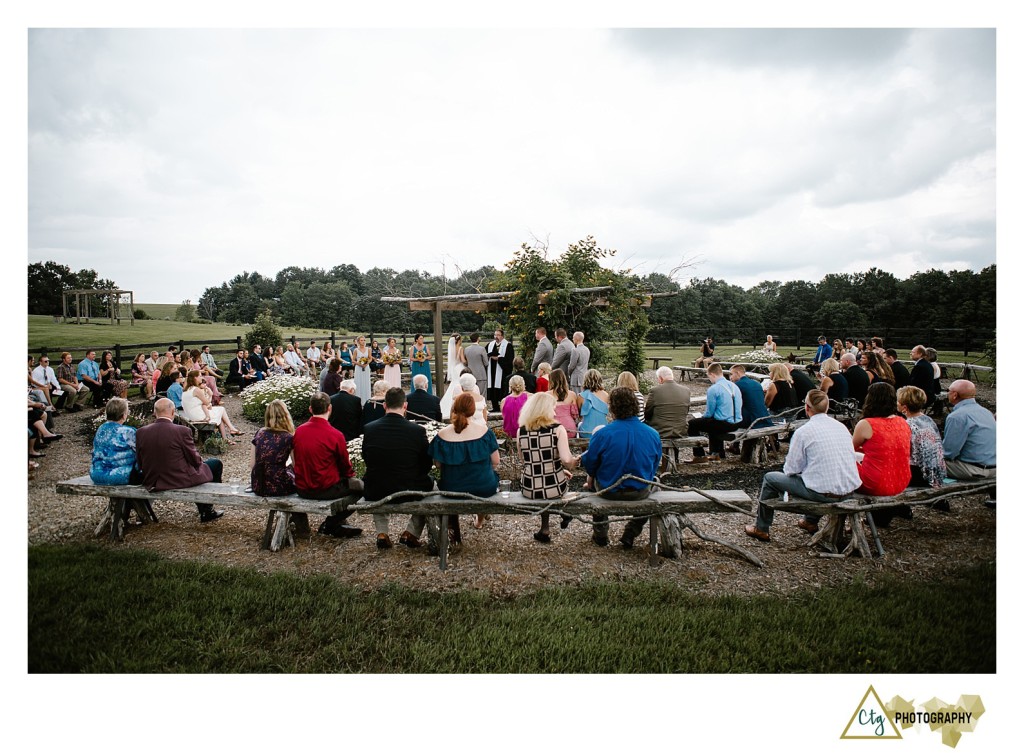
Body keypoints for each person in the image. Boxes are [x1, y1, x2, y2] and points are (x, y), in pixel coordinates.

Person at [744, 390, 861, 542]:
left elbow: (791, 469)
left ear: (807, 407)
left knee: (770, 478)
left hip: (822, 493)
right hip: (848, 490)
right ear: (827, 407)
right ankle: (810, 521)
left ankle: (761, 527)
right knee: (818, 476)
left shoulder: (804, 432)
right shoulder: (841, 427)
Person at [581, 387, 662, 548]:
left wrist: (592, 475)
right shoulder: (652, 434)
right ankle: (631, 532)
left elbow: (590, 464)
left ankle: (601, 534)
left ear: (612, 407)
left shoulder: (603, 434)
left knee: (590, 484)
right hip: (639, 491)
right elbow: (654, 464)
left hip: (607, 489)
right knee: (656, 486)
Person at [362, 387, 436, 549]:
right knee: (433, 487)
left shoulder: (369, 429)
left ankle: (382, 532)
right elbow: (426, 463)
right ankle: (411, 532)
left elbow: (367, 458)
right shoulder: (417, 430)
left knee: (376, 477)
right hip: (408, 487)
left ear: (384, 406)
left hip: (377, 489)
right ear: (405, 406)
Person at [135, 398, 224, 523]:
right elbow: (195, 460)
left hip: (153, 480)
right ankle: (207, 510)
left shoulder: (141, 432)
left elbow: (140, 462)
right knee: (215, 464)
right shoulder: (182, 431)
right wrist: (198, 461)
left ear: (155, 413)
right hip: (177, 479)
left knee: (198, 467)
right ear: (172, 412)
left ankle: (205, 508)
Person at [292, 391, 363, 538]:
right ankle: (331, 523)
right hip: (325, 488)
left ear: (310, 409)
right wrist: (351, 477)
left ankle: (335, 524)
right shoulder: (335, 434)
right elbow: (346, 467)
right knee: (360, 490)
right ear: (330, 408)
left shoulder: (299, 431)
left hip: (302, 487)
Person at [429, 392, 500, 531]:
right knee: (486, 478)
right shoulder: (485, 432)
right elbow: (496, 461)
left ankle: (453, 529)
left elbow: (437, 464)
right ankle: (479, 520)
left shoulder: (442, 435)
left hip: (452, 487)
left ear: (454, 409)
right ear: (473, 410)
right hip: (483, 486)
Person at [518, 391, 580, 543]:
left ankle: (545, 529)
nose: (554, 412)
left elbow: (524, 459)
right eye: (552, 408)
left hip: (529, 486)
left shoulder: (522, 430)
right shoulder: (558, 429)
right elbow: (566, 459)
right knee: (556, 486)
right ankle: (564, 512)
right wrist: (574, 462)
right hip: (554, 486)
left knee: (545, 485)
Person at [852, 382, 912, 526]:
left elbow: (848, 449)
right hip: (902, 478)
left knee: (841, 459)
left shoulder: (867, 424)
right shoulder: (902, 422)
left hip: (876, 483)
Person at [686, 363, 743, 463]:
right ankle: (717, 453)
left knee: (692, 424)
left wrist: (703, 417)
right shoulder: (735, 386)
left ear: (712, 374)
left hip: (724, 424)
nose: (709, 380)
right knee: (713, 421)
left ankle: (699, 456)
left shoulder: (714, 389)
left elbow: (709, 413)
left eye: (709, 377)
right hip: (737, 422)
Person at [942, 379, 996, 481]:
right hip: (994, 468)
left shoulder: (957, 417)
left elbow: (949, 452)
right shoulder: (987, 412)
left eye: (948, 391)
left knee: (927, 462)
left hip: (974, 470)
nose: (947, 393)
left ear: (954, 395)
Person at [896, 386, 946, 488]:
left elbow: (902, 451)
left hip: (919, 474)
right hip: (936, 470)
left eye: (898, 401)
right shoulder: (928, 420)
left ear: (904, 407)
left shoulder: (907, 425)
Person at [250, 399, 296, 497]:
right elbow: (297, 464)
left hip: (259, 484)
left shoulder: (260, 433)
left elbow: (253, 464)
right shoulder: (288, 437)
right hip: (279, 485)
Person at [181, 370, 243, 443]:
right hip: (198, 415)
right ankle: (231, 429)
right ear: (195, 378)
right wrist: (210, 394)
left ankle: (226, 437)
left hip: (191, 414)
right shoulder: (196, 390)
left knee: (220, 413)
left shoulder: (187, 389)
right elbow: (207, 402)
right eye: (200, 376)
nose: (202, 377)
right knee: (222, 409)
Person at [89, 398, 141, 485]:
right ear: (124, 415)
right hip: (120, 476)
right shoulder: (127, 432)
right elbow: (142, 450)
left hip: (96, 474)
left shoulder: (101, 428)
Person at [485, 328, 515, 412]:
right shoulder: (490, 345)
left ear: (502, 336)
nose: (496, 337)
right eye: (495, 335)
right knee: (492, 387)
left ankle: (504, 406)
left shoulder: (508, 346)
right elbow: (485, 354)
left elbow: (510, 359)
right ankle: (495, 407)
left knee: (502, 388)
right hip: (492, 370)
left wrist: (499, 359)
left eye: (498, 335)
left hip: (502, 371)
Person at [576, 369, 610, 438]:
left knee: (579, 425)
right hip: (603, 431)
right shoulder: (606, 395)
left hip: (587, 432)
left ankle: (585, 449)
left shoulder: (581, 396)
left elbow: (579, 415)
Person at [547, 368, 579, 438]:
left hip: (553, 428)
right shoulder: (572, 394)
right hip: (569, 428)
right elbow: (575, 415)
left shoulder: (546, 395)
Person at [500, 375, 530, 440]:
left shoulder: (504, 401)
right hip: (525, 433)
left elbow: (504, 417)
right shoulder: (529, 397)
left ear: (510, 386)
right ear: (523, 385)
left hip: (509, 435)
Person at [349, 335, 372, 403]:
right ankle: (359, 399)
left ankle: (367, 398)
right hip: (358, 367)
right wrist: (359, 364)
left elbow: (370, 358)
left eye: (364, 340)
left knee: (366, 382)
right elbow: (353, 360)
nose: (363, 342)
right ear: (358, 342)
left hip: (366, 367)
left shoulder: (368, 349)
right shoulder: (356, 350)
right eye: (361, 340)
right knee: (358, 382)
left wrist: (366, 363)